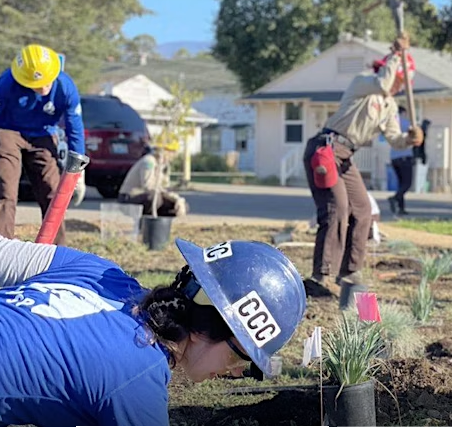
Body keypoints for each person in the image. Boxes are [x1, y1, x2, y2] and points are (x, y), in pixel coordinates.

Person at [0, 236, 306, 425]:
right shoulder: (137, 379)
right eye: (239, 359)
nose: (239, 373)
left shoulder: (100, 272)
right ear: (207, 329)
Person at [303, 33, 424, 310]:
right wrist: (398, 55)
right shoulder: (363, 84)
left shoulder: (389, 106)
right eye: (400, 78)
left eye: (404, 81)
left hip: (346, 157)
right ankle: (320, 277)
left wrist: (411, 138)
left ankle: (350, 271)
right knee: (337, 210)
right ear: (388, 69)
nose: (400, 84)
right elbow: (382, 82)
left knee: (363, 210)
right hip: (326, 149)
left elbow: (394, 138)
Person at [0, 44, 85, 246]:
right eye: (37, 84)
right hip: (8, 131)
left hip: (44, 132)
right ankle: (2, 247)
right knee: (6, 191)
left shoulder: (65, 87)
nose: (44, 87)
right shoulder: (6, 84)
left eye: (47, 82)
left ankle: (56, 250)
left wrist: (77, 165)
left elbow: (74, 125)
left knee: (52, 191)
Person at [118, 141, 188, 217]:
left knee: (177, 206)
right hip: (129, 197)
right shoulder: (149, 162)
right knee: (155, 198)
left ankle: (160, 226)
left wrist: (178, 200)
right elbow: (148, 186)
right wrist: (173, 197)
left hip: (151, 195)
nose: (173, 156)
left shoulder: (164, 166)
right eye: (171, 152)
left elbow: (164, 188)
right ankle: (145, 224)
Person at [388, 105, 415, 216]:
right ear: (403, 113)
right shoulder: (406, 123)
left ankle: (401, 208)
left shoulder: (392, 124)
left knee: (400, 184)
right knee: (407, 183)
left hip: (394, 157)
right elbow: (415, 136)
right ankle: (395, 198)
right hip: (405, 156)